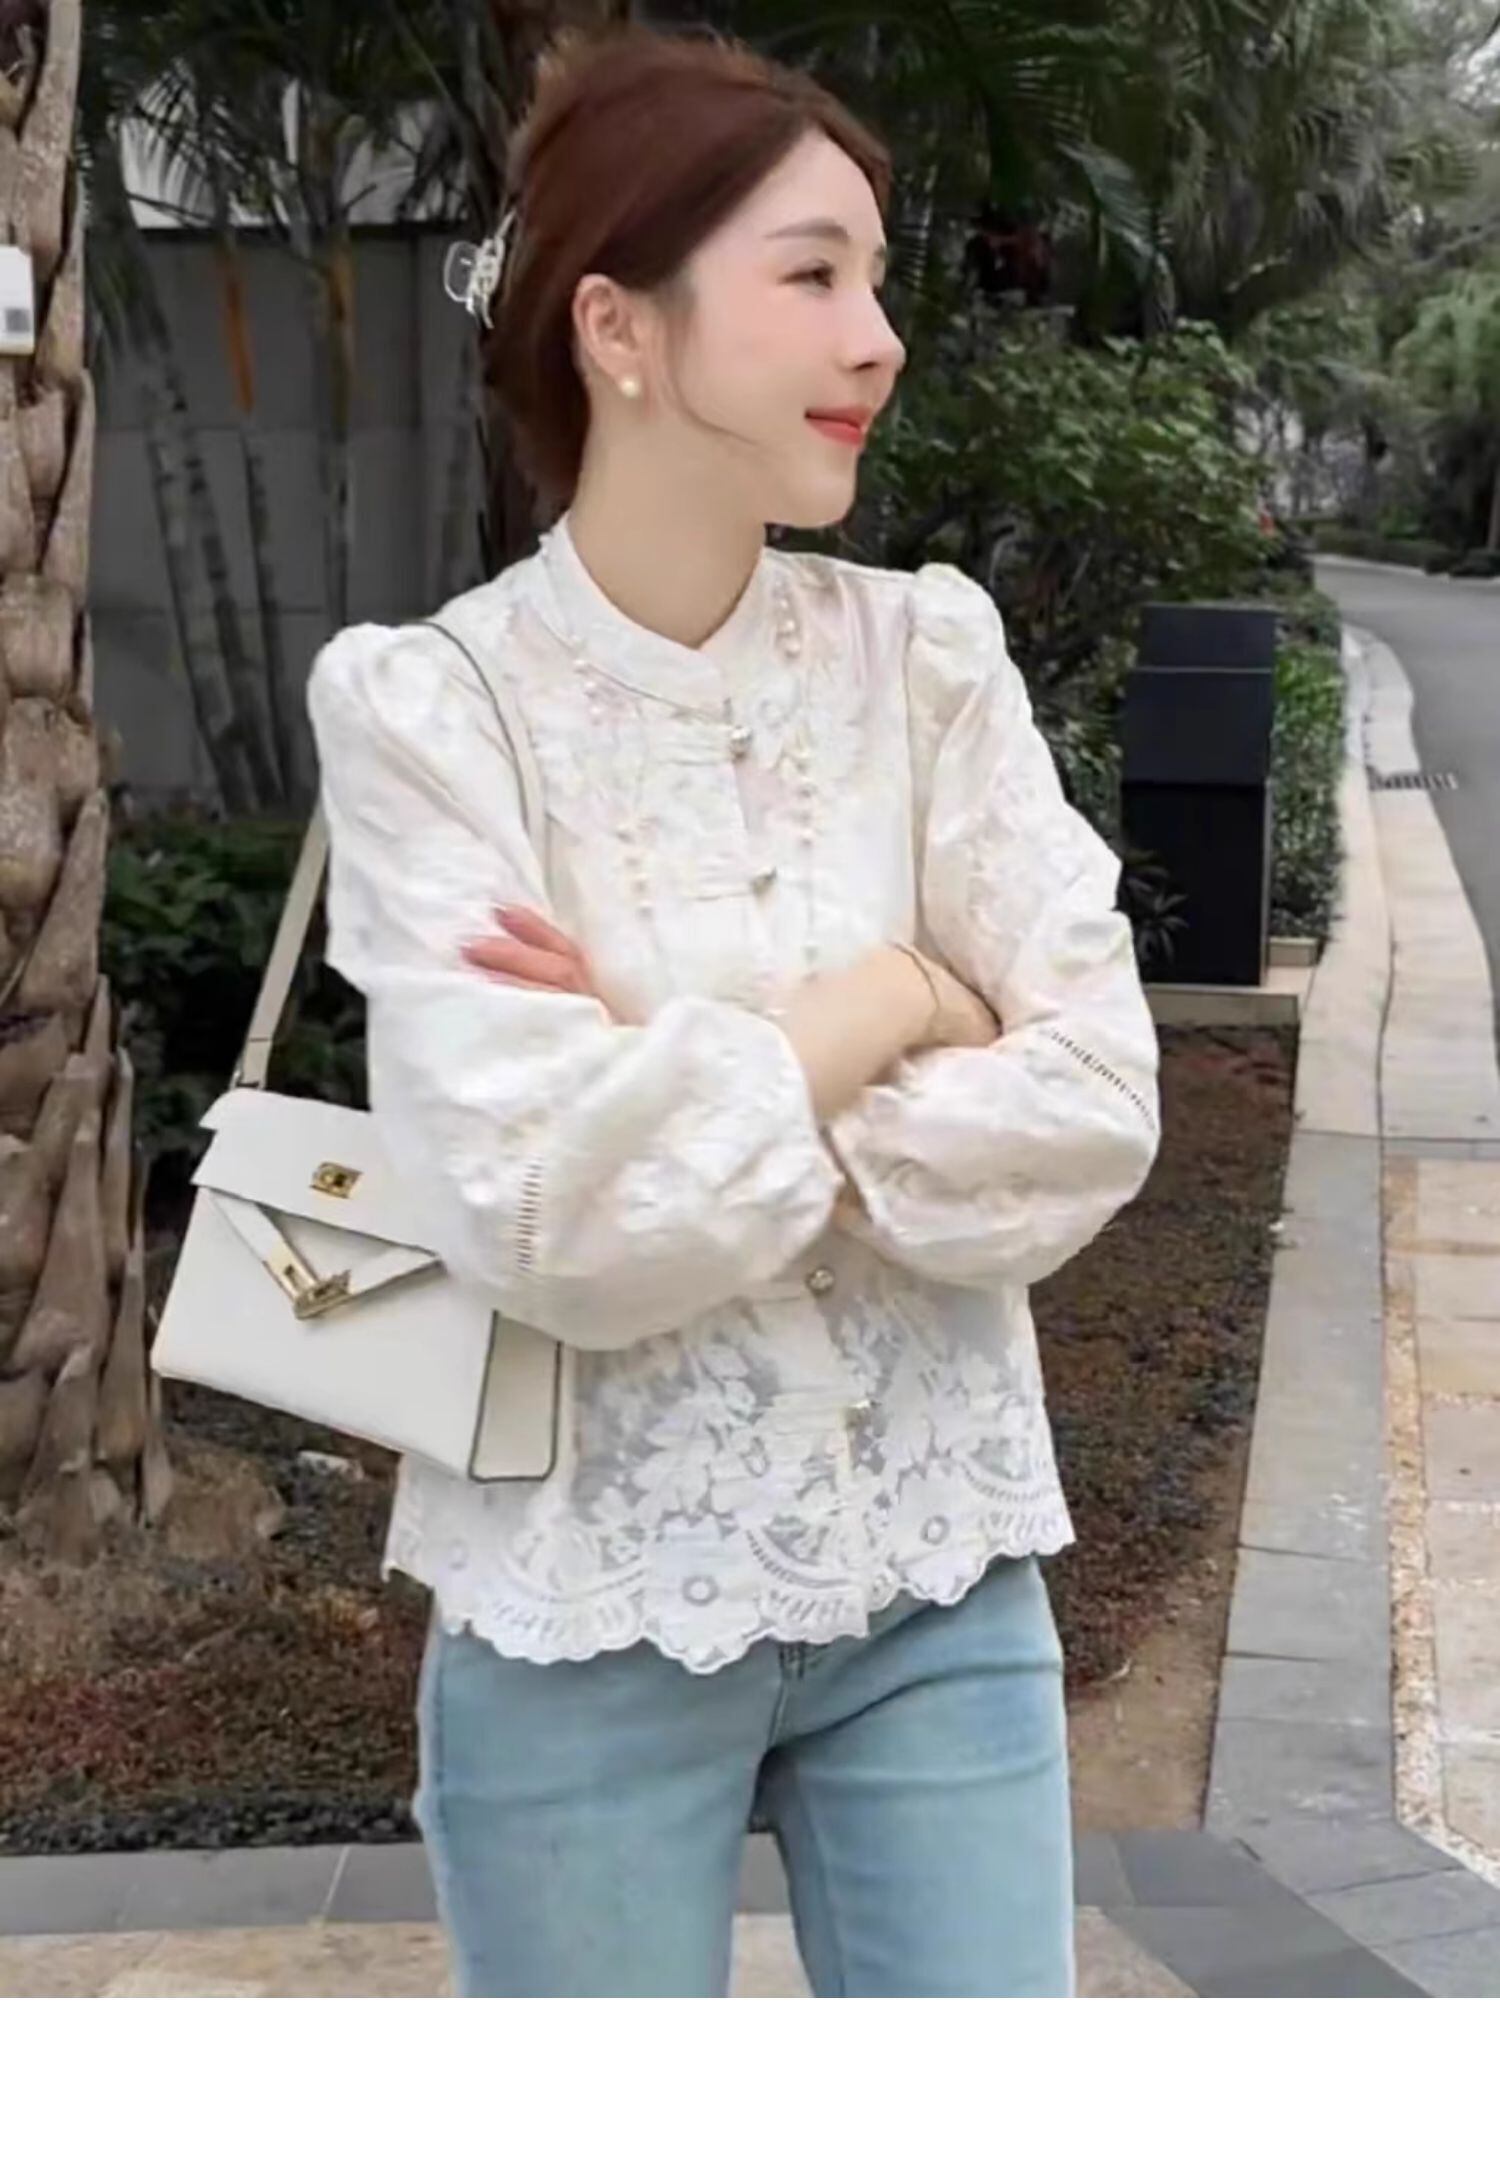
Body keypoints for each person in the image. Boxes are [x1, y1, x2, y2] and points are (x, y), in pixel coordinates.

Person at [306, 23, 1160, 1999]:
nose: (880, 338)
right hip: (581, 1599)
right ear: (618, 327)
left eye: (876, 280)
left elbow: (1099, 1103)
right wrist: (898, 995)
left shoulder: (927, 659)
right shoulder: (436, 713)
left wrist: (667, 1057)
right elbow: (551, 1222)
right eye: (814, 276)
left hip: (941, 1573)